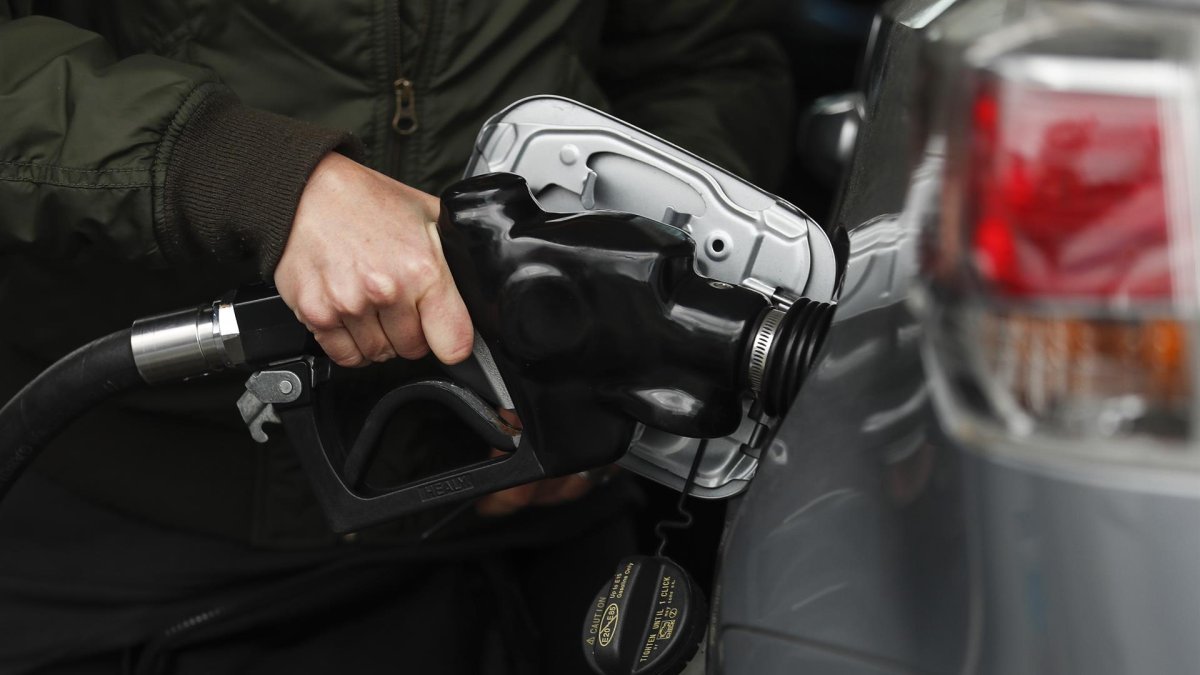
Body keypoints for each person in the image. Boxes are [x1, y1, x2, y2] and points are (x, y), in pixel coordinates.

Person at [0, 2, 795, 673]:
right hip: (151, 525)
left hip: (539, 509)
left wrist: (618, 302)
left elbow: (707, 57)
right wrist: (247, 176)